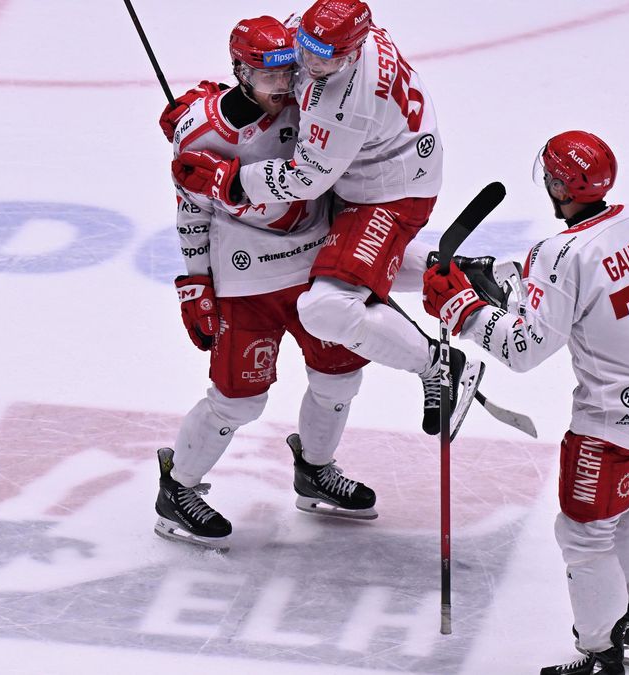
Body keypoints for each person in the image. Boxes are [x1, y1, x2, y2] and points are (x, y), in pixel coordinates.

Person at [421, 131, 629, 674]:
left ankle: (602, 653)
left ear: (558, 186)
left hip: (613, 419)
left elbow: (525, 348)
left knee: (582, 531)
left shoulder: (560, 254)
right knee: (612, 516)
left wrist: (465, 309)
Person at [167, 0, 483, 439]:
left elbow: (305, 179)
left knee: (326, 309)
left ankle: (437, 365)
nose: (310, 66)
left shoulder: (343, 103)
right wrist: (220, 103)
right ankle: (458, 272)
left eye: (326, 60)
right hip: (386, 163)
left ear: (353, 51)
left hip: (388, 193)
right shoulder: (331, 36)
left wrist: (231, 181)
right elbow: (275, 59)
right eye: (306, 50)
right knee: (345, 268)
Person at [152, 16, 377, 552]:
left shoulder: (312, 102)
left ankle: (315, 470)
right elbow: (191, 211)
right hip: (246, 284)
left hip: (317, 267)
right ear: (239, 71)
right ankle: (177, 488)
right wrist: (195, 285)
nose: (282, 84)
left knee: (339, 377)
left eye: (288, 71)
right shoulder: (200, 132)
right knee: (238, 401)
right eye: (266, 74)